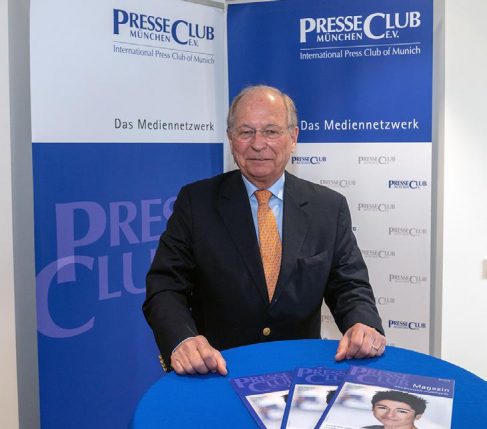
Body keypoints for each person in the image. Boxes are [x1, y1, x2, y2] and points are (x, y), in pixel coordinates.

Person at [143, 85, 386, 375]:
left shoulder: (328, 207)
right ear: (231, 138)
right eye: (246, 132)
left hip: (300, 372)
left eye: (271, 131)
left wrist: (363, 323)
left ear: (293, 137)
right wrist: (182, 339)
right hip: (217, 371)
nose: (258, 144)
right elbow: (165, 286)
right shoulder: (196, 202)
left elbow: (349, 285)